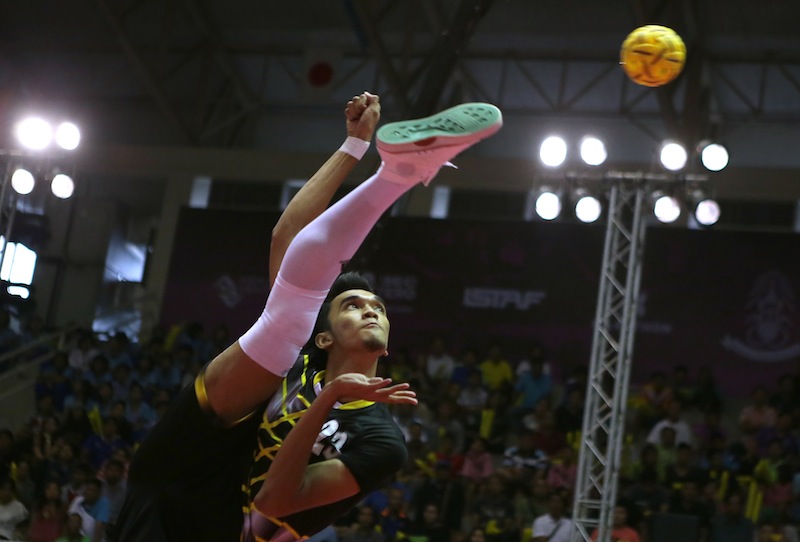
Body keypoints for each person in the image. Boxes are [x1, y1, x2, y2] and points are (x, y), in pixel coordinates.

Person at [115, 93, 503, 542]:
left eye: (377, 307)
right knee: (285, 313)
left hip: (221, 529)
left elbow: (273, 504)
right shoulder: (300, 360)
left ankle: (398, 175)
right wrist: (352, 146)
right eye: (352, 305)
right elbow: (287, 234)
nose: (370, 309)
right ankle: (397, 175)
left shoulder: (382, 440)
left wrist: (327, 399)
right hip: (176, 470)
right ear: (324, 338)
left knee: (287, 314)